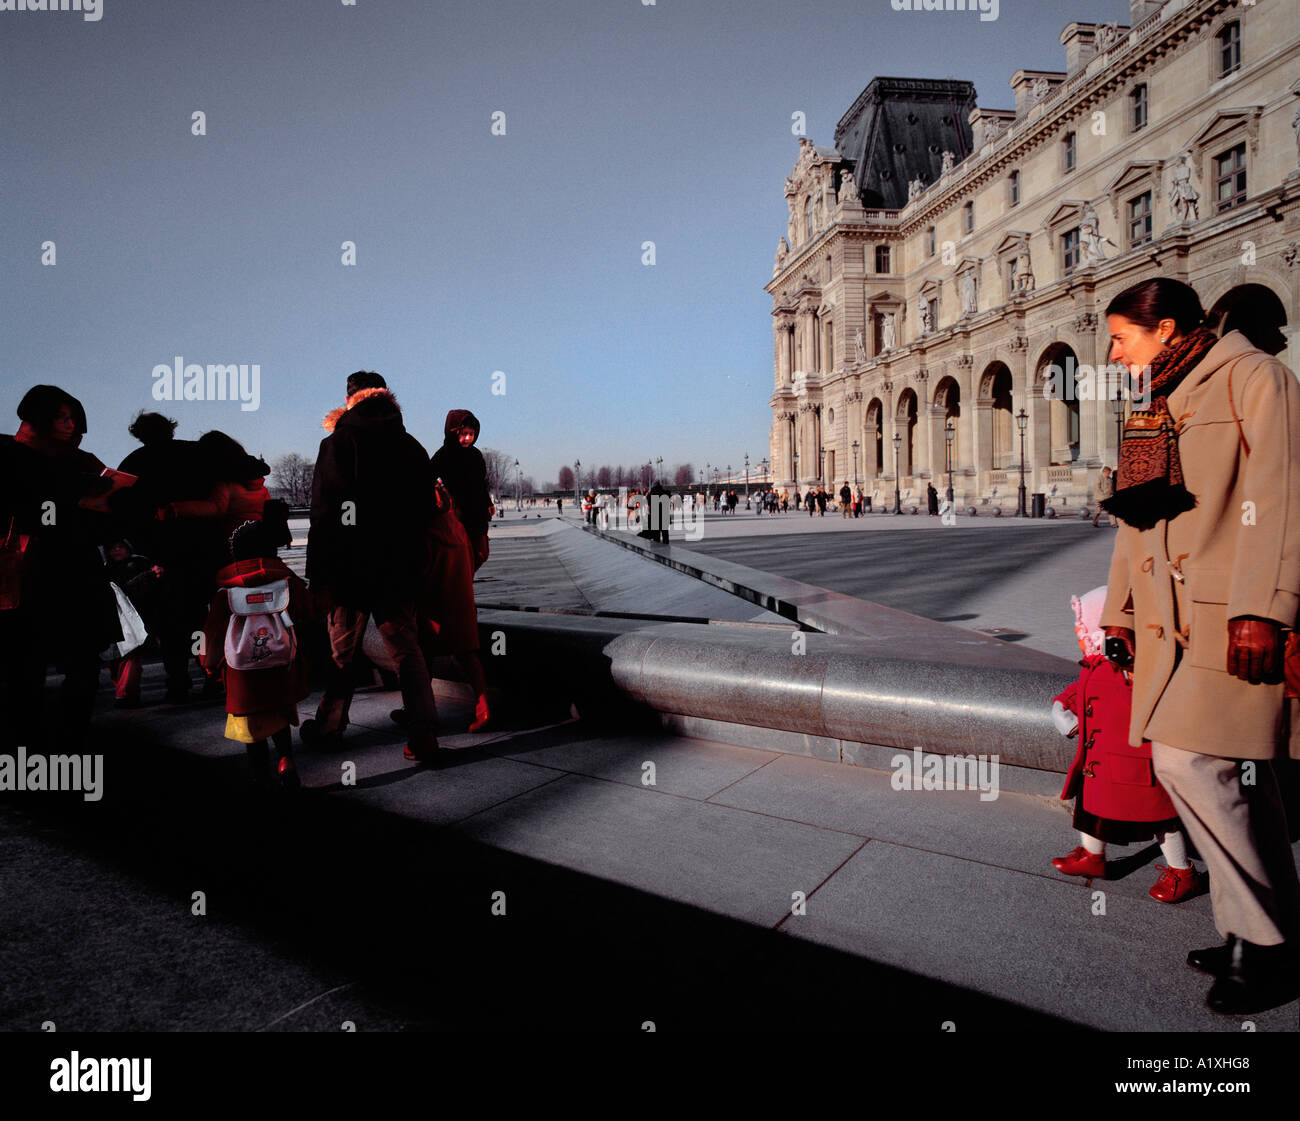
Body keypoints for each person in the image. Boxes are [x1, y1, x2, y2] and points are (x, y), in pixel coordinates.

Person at [1100, 277, 1300, 1013]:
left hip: (1227, 617)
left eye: (1123, 337)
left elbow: (1283, 495)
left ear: (1167, 327)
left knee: (1193, 760)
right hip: (1166, 624)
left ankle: (1269, 950)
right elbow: (1135, 519)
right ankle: (1260, 927)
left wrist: (1264, 606)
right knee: (1245, 782)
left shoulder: (1256, 377)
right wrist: (1119, 609)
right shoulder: (1157, 401)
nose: (1115, 353)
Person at [303, 371, 442, 763]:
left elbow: (325, 514)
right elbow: (425, 512)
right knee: (407, 652)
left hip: (349, 569)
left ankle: (330, 727)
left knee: (342, 654)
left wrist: (320, 575)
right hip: (399, 566)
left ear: (350, 401)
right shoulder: (411, 446)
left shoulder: (338, 442)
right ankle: (424, 734)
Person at [1050, 586, 1199, 902]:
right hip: (1100, 762)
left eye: (1084, 628)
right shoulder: (1097, 665)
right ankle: (1093, 856)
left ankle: (1183, 872)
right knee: (1090, 810)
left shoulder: (1132, 670)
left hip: (1135, 764)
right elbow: (1082, 688)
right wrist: (1062, 705)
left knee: (1163, 820)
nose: (1079, 635)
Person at [0, 386, 121, 749]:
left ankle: (70, 738)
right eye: (61, 417)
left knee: (81, 663)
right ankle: (27, 743)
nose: (69, 425)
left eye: (72, 418)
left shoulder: (81, 461)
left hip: (75, 570)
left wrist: (108, 509)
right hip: (32, 572)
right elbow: (25, 511)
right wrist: (78, 502)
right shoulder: (10, 456)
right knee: (27, 665)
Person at [201, 518, 311, 790]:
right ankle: (286, 760)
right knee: (279, 715)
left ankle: (259, 775)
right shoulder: (287, 583)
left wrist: (208, 664)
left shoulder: (224, 593)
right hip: (281, 666)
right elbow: (311, 610)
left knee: (251, 727)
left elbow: (210, 635)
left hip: (242, 674)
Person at [424, 408, 494, 732]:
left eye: (471, 433)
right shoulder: (445, 458)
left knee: (422, 643)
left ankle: (420, 708)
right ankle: (478, 704)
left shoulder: (435, 525)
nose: (467, 438)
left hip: (458, 552)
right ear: (453, 431)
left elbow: (479, 494)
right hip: (463, 553)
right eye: (463, 433)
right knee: (464, 644)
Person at [102, 538, 164, 708]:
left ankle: (127, 694)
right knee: (116, 657)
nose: (116, 550)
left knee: (130, 655)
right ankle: (124, 692)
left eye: (120, 547)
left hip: (135, 616)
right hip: (114, 617)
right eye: (112, 547)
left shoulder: (140, 563)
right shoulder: (105, 569)